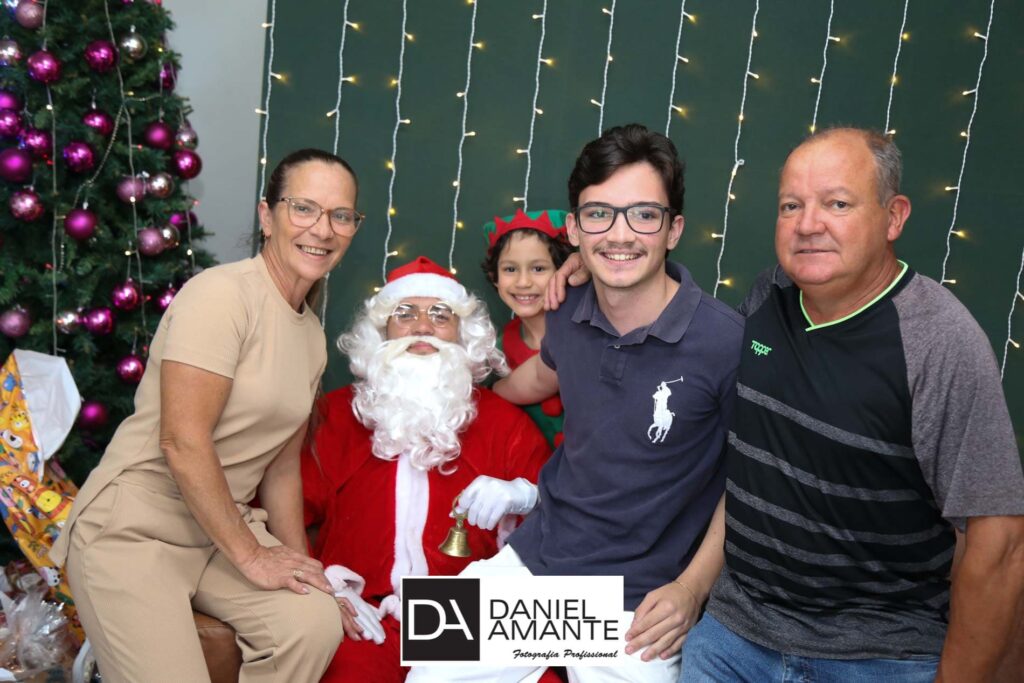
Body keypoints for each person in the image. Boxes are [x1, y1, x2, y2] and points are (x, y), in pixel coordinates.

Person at [679, 128, 1024, 682]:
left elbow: (998, 542)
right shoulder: (768, 297)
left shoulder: (940, 342)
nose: (808, 224)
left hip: (879, 654)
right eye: (791, 205)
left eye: (837, 204)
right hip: (736, 635)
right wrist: (583, 277)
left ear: (894, 217)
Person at [408, 124, 744, 683]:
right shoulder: (566, 308)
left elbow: (750, 486)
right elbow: (538, 377)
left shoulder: (726, 341)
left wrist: (692, 588)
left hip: (639, 602)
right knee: (423, 668)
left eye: (644, 214)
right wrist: (462, 398)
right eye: (599, 214)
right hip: (536, 561)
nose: (620, 234)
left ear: (674, 229)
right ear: (574, 228)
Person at [49, 148, 362, 682]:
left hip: (219, 532)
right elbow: (182, 441)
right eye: (304, 208)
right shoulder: (220, 296)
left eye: (341, 215)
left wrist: (305, 572)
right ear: (267, 216)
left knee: (311, 623)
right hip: (137, 527)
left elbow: (281, 467)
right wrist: (253, 557)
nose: (323, 229)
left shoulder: (310, 334)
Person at [302, 255, 551, 683]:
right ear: (382, 331)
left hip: (470, 619)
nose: (422, 327)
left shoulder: (503, 424)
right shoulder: (335, 418)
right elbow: (283, 515)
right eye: (405, 314)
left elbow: (563, 520)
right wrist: (325, 588)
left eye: (440, 315)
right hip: (365, 618)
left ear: (462, 333)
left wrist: (526, 496)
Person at [481, 208, 573, 447]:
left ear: (564, 271)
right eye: (510, 269)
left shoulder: (586, 328)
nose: (523, 282)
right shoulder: (497, 352)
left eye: (538, 268)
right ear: (494, 276)